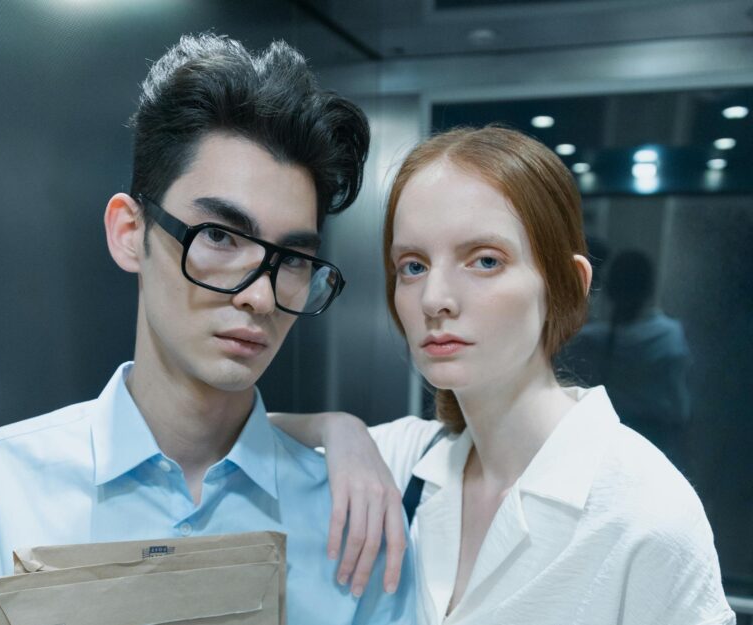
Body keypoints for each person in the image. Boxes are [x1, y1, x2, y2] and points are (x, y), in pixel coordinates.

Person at [0, 33, 415, 625]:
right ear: (129, 232)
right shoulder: (1, 492)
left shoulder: (354, 522)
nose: (260, 296)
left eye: (292, 259)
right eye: (219, 236)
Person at [272, 126, 735, 624]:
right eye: (413, 266)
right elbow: (220, 436)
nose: (434, 299)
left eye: (485, 260)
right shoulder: (406, 461)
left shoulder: (644, 513)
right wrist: (338, 428)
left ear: (567, 286)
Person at [561, 249, 692, 470]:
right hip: (659, 446)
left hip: (603, 446)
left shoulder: (587, 341)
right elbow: (681, 408)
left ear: (610, 289)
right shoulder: (671, 336)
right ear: (650, 289)